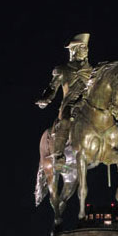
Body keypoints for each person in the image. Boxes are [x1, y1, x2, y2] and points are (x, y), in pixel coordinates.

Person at [36, 33, 93, 168]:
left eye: (86, 48)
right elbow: (52, 88)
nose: (85, 51)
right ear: (73, 50)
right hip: (69, 105)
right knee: (66, 121)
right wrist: (45, 99)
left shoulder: (92, 71)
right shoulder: (62, 70)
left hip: (87, 104)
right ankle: (58, 154)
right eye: (82, 47)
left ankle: (116, 152)